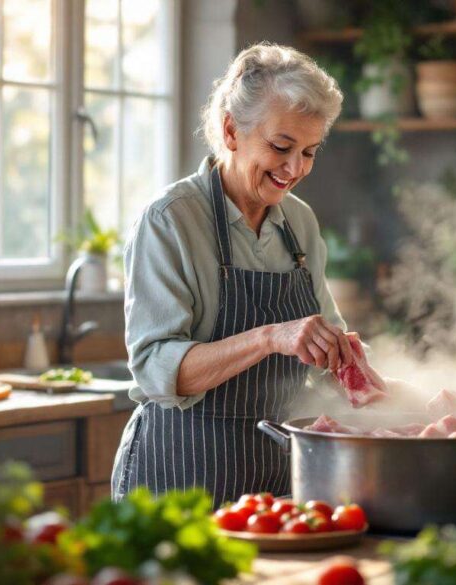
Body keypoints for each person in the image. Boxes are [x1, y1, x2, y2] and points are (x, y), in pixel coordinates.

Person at [111, 43, 352, 505]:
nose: (295, 168)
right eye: (281, 147)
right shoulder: (170, 220)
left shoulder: (298, 222)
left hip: (276, 483)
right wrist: (269, 337)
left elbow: (326, 347)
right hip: (178, 479)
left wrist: (383, 388)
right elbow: (157, 369)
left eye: (309, 152)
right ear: (231, 130)